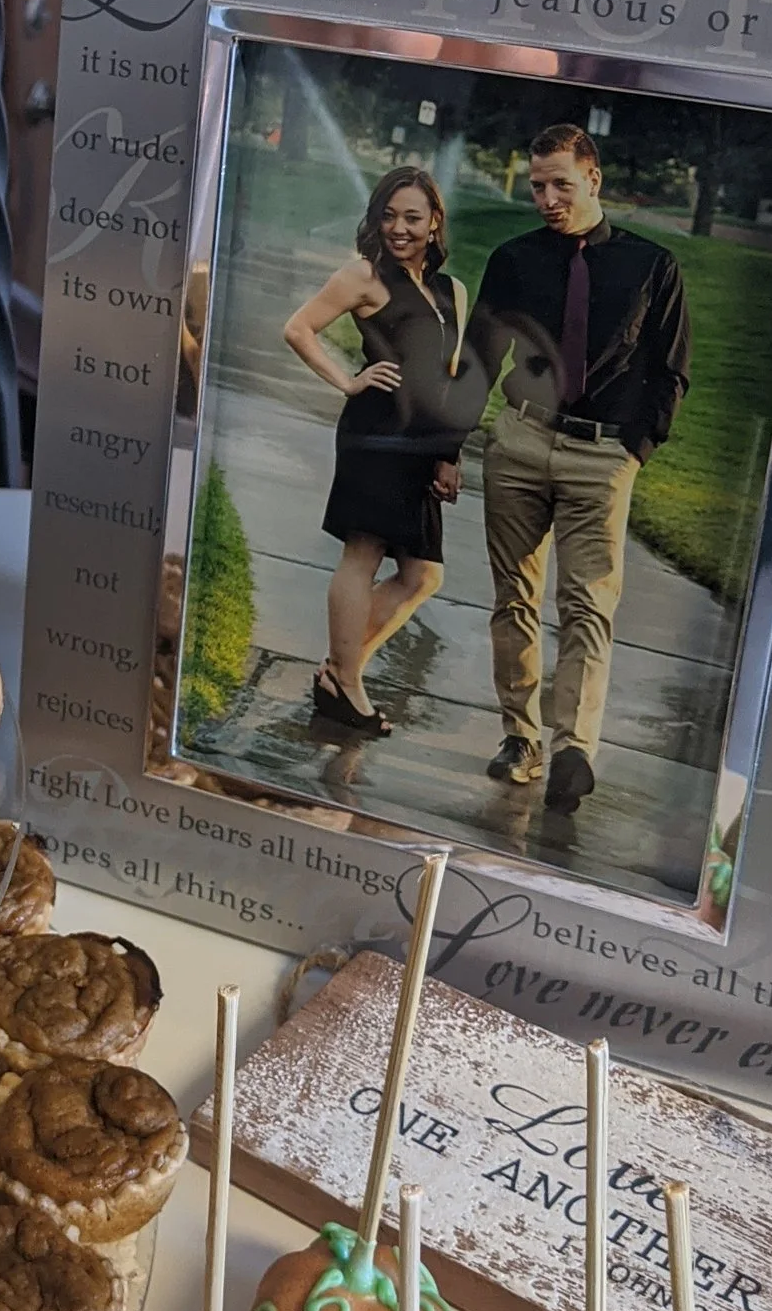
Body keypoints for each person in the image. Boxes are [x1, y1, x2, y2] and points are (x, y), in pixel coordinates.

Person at [470, 124, 690, 813]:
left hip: (604, 454)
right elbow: (480, 355)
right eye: (537, 185)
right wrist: (447, 448)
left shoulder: (654, 267)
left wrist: (635, 449)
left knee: (588, 603)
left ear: (594, 178)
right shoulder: (513, 259)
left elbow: (671, 369)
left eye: (560, 183)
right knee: (514, 596)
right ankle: (520, 738)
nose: (546, 197)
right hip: (522, 442)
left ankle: (574, 749)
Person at [282, 165, 477, 735]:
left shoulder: (452, 290)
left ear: (435, 221)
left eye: (413, 217)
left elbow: (452, 373)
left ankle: (339, 672)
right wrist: (346, 380)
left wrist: (449, 453)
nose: (399, 227)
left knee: (422, 574)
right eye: (389, 215)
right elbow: (298, 329)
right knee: (362, 557)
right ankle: (350, 683)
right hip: (374, 435)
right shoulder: (362, 276)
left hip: (422, 443)